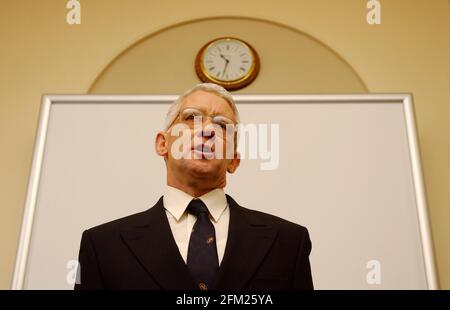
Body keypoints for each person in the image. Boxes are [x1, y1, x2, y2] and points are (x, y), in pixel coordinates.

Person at [74, 83, 313, 290]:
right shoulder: (102, 245)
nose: (207, 130)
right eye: (191, 118)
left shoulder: (288, 242)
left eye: (222, 126)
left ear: (233, 160)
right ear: (162, 144)